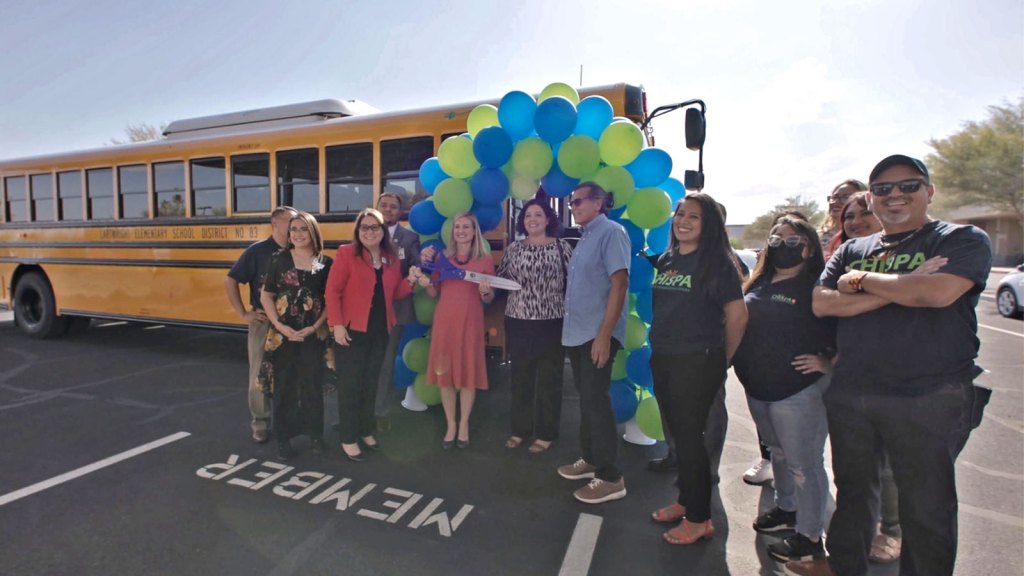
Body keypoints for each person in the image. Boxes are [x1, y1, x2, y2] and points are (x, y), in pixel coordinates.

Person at [787, 155, 992, 576]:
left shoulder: (960, 239)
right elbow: (822, 303)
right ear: (871, 196)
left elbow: (936, 293)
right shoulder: (852, 249)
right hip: (854, 391)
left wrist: (859, 281)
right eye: (883, 188)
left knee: (926, 508)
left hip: (929, 396)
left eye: (908, 186)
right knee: (855, 498)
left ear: (928, 192)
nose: (895, 195)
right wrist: (901, 285)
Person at [646, 193, 747, 544]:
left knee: (692, 441)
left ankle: (700, 518)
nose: (683, 221)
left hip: (697, 361)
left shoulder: (717, 263)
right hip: (665, 358)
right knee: (678, 436)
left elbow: (737, 316)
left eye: (694, 217)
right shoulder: (669, 259)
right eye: (680, 213)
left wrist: (723, 361)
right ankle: (686, 501)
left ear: (710, 226)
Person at [732, 216, 834, 562]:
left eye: (793, 242)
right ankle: (787, 510)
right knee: (777, 452)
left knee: (805, 465)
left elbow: (853, 326)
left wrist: (830, 363)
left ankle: (809, 537)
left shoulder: (817, 286)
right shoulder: (759, 281)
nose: (783, 247)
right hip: (757, 387)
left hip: (797, 391)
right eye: (776, 240)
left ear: (808, 247)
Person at [836, 191, 901, 564]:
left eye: (864, 213)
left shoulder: (904, 253)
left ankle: (893, 531)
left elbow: (920, 295)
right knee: (854, 473)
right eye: (849, 216)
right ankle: (849, 549)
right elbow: (823, 302)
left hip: (896, 381)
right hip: (849, 374)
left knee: (889, 466)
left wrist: (855, 285)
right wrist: (886, 290)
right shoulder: (845, 254)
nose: (855, 221)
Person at [556, 182, 630, 504]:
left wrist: (604, 335)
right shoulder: (586, 236)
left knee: (597, 404)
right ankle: (590, 459)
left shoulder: (611, 232)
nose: (573, 206)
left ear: (599, 203)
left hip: (596, 335)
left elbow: (620, 283)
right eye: (572, 202)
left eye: (579, 201)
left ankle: (611, 477)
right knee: (587, 401)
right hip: (577, 332)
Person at [326, 208, 415, 462]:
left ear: (382, 231)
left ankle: (365, 430)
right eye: (364, 227)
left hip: (380, 331)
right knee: (351, 386)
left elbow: (395, 292)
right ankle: (348, 436)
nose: (369, 232)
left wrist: (411, 281)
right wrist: (337, 325)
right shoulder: (346, 254)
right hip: (351, 331)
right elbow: (333, 292)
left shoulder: (390, 258)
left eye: (374, 227)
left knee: (370, 384)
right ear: (357, 231)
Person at [495, 198, 573, 453]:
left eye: (538, 215)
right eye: (528, 216)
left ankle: (546, 433)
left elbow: (574, 283)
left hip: (552, 321)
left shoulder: (563, 248)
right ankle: (520, 430)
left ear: (548, 219)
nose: (532, 219)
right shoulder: (514, 249)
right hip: (518, 321)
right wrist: (486, 286)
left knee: (550, 380)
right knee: (520, 378)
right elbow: (501, 280)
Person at [413, 212, 494, 450]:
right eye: (457, 226)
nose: (461, 230)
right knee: (445, 375)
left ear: (474, 231)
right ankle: (450, 424)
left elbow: (488, 297)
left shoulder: (485, 260)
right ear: (452, 231)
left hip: (471, 321)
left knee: (468, 374)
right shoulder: (442, 258)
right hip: (445, 322)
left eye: (466, 226)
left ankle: (464, 425)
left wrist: (485, 292)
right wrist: (425, 283)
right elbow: (434, 293)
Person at [257, 211, 333, 460]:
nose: (298, 234)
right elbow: (266, 295)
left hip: (312, 334)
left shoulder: (323, 262)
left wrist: (314, 327)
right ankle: (283, 439)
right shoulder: (279, 259)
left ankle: (315, 435)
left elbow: (330, 300)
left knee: (311, 386)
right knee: (285, 388)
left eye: (303, 229)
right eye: (294, 230)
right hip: (283, 335)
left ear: (313, 232)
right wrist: (279, 325)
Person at [224, 205, 297, 444]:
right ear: (275, 223)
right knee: (259, 375)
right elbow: (231, 280)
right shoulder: (258, 251)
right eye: (290, 221)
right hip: (264, 321)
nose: (296, 226)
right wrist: (243, 313)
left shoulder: (300, 250)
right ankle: (260, 423)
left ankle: (287, 421)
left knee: (289, 374)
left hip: (292, 322)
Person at [373, 192, 421, 419]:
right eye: (384, 205)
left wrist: (419, 268)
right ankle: (360, 411)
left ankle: (378, 412)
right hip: (366, 310)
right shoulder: (365, 233)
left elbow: (416, 265)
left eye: (393, 207)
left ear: (400, 212)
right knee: (364, 361)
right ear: (376, 207)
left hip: (395, 310)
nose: (388, 210)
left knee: (384, 362)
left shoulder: (409, 239)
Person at [821, 180, 868, 259]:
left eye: (846, 197)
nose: (836, 202)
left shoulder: (870, 236)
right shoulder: (819, 237)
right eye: (834, 197)